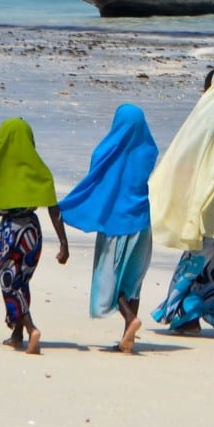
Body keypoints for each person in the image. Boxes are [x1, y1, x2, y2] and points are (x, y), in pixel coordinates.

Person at [149, 66, 214, 339]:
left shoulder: (206, 116)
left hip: (209, 201)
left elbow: (188, 152)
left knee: (196, 262)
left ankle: (183, 314)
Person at [59, 104, 158, 353]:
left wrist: (71, 206)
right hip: (142, 225)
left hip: (117, 225)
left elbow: (95, 178)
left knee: (111, 280)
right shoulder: (148, 151)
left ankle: (129, 320)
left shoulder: (106, 150)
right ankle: (128, 339)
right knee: (133, 281)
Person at [0, 118, 69, 355]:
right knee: (22, 282)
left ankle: (31, 328)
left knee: (8, 281)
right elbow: (54, 208)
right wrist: (64, 243)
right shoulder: (39, 170)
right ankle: (17, 335)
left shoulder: (0, 169)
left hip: (11, 231)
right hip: (33, 231)